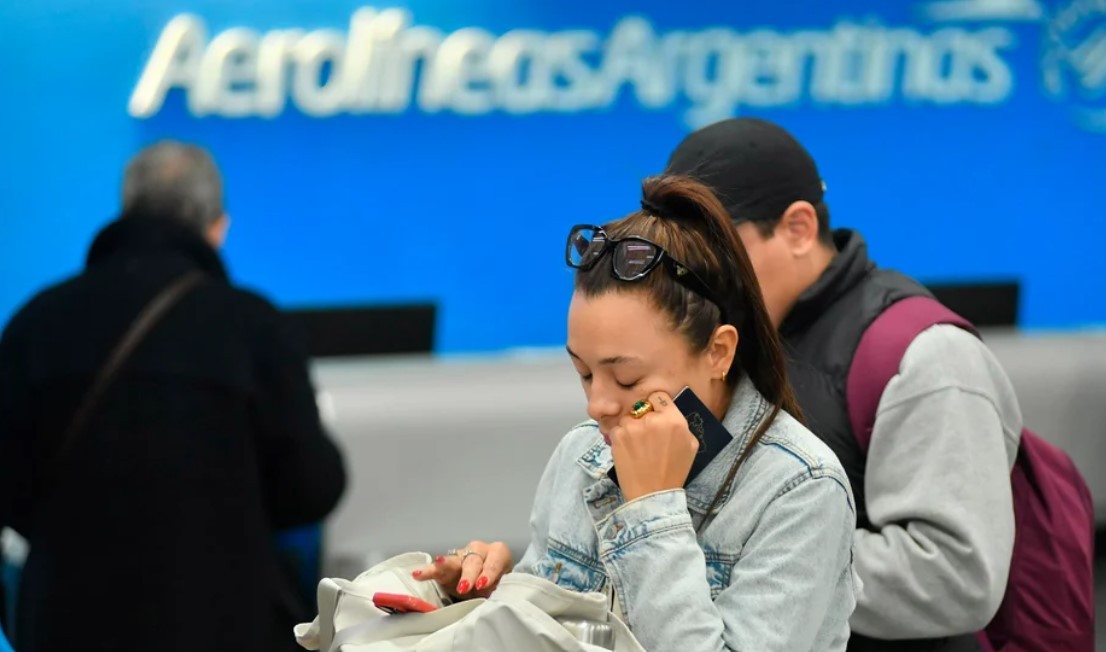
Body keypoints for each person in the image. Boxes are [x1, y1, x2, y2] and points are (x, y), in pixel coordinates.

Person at [414, 175, 857, 651]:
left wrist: (652, 507)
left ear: (718, 352)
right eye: (584, 373)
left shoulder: (800, 489)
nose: (597, 406)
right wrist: (486, 605)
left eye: (627, 379)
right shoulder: (582, 453)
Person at [665, 118, 1023, 651]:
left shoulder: (927, 358)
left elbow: (957, 575)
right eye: (680, 255)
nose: (695, 276)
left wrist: (753, 556)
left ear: (798, 228)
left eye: (715, 250)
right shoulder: (719, 341)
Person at [0, 141, 347, 652]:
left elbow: (9, 485)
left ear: (127, 210)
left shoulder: (37, 324)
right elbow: (312, 487)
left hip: (67, 621)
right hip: (222, 622)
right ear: (217, 227)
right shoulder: (253, 328)